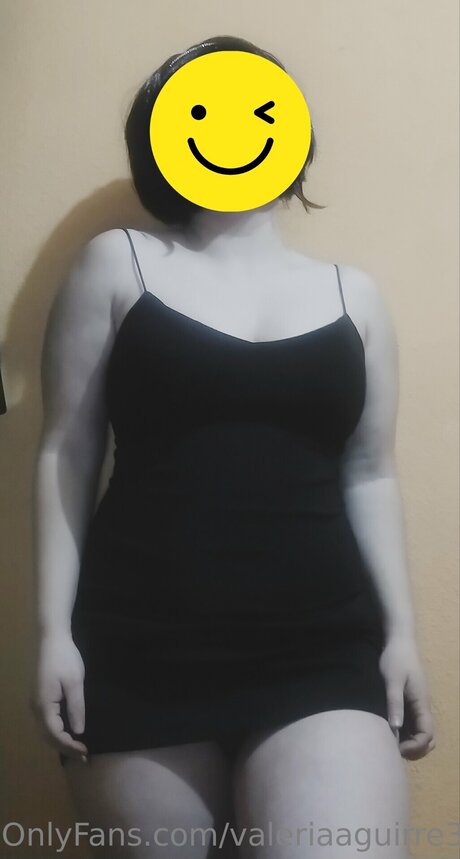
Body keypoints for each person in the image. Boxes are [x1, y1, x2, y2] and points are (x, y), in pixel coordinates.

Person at [30, 35, 435, 859]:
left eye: (255, 110)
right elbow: (65, 453)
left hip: (322, 648)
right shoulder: (117, 264)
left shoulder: (355, 297)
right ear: (162, 138)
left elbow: (370, 472)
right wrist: (51, 631)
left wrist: (402, 633)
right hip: (137, 645)